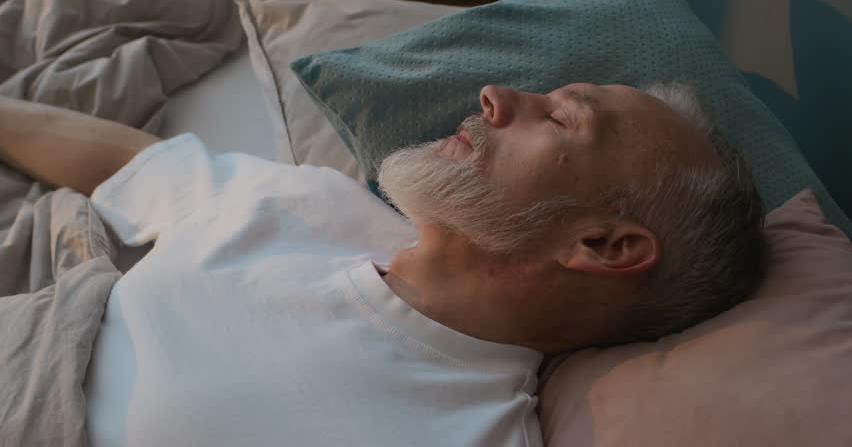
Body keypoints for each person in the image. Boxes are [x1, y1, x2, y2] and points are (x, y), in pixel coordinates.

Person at [0, 82, 766, 446]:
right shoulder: (316, 204)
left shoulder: (472, 434)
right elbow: (137, 163)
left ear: (603, 247)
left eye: (559, 116)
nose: (497, 96)